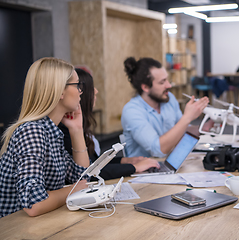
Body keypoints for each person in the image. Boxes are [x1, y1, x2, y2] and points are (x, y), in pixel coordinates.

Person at [0, 57, 90, 218]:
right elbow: (33, 204)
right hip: (14, 229)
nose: (80, 91)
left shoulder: (51, 131)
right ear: (60, 90)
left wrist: (77, 129)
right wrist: (72, 190)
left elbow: (82, 178)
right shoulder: (32, 131)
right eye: (77, 85)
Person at [60, 68, 160, 180]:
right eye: (90, 87)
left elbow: (92, 165)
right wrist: (134, 167)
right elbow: (88, 174)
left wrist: (125, 161)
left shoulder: (75, 125)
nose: (96, 91)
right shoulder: (64, 131)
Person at [121, 57, 209, 158]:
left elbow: (181, 130)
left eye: (167, 79)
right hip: (144, 170)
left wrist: (204, 127)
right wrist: (187, 117)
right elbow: (158, 150)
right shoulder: (132, 111)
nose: (169, 85)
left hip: (170, 162)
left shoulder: (169, 98)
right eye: (162, 82)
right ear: (145, 87)